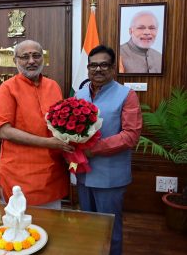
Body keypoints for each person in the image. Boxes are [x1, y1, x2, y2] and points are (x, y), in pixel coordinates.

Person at [75, 45, 142, 255]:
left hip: (110, 177)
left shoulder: (126, 95)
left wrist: (93, 150)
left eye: (104, 64)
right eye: (93, 65)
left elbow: (131, 135)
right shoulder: (79, 94)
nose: (98, 69)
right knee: (89, 226)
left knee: (110, 229)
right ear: (87, 68)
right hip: (84, 174)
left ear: (112, 68)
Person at [0, 39, 74, 208]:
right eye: (25, 56)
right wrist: (47, 143)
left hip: (52, 172)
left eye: (36, 55)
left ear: (42, 59)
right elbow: (3, 131)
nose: (31, 61)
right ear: (15, 61)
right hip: (20, 174)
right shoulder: (7, 88)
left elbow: (61, 124)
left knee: (50, 228)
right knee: (20, 229)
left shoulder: (53, 86)